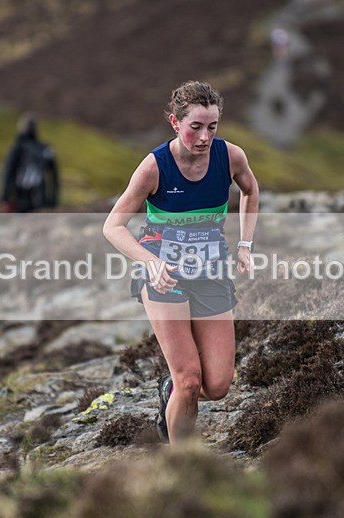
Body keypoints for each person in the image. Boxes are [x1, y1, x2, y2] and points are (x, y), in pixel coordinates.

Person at [103, 81, 259, 444]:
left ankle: (170, 389)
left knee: (217, 386)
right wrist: (150, 262)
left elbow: (251, 190)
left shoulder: (231, 157)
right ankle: (183, 464)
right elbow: (113, 226)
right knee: (190, 380)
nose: (204, 136)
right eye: (195, 127)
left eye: (212, 126)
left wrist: (246, 244)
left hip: (210, 273)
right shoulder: (154, 167)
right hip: (163, 278)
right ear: (175, 122)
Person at [0, 113, 60, 213]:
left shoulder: (17, 149)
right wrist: (53, 201)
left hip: (20, 199)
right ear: (36, 129)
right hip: (41, 199)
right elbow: (54, 177)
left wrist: (5, 199)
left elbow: (8, 174)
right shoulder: (45, 149)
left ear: (21, 128)